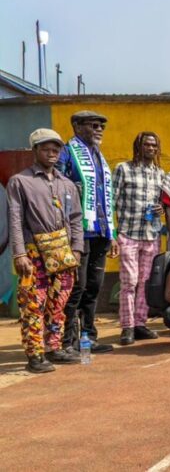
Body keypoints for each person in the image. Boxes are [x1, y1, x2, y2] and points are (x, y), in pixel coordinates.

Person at [8, 129, 84, 372]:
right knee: (33, 303)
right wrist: (19, 254)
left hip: (64, 252)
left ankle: (54, 347)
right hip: (33, 252)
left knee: (58, 303)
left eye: (56, 150)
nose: (52, 154)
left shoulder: (68, 184)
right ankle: (35, 354)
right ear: (35, 151)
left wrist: (78, 250)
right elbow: (15, 219)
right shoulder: (20, 181)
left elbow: (75, 219)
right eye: (46, 149)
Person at [57, 110, 118, 355]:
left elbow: (106, 199)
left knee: (94, 286)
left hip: (100, 231)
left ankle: (88, 336)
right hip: (78, 232)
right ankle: (67, 340)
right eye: (94, 125)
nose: (99, 129)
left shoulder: (98, 156)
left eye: (102, 125)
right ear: (77, 126)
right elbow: (58, 186)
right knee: (76, 287)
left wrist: (112, 234)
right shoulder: (67, 152)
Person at [112, 132, 164, 345]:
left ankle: (140, 324)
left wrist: (160, 208)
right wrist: (112, 234)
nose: (150, 148)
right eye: (146, 144)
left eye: (154, 145)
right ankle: (127, 327)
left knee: (145, 281)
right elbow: (111, 202)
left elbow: (163, 202)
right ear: (138, 147)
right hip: (128, 233)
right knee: (129, 281)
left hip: (151, 235)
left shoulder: (160, 173)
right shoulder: (123, 169)